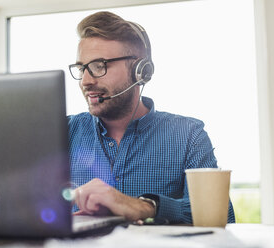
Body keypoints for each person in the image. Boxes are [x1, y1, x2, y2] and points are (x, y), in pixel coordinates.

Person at [67, 11, 235, 224]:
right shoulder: (61, 132)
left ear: (141, 71)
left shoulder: (188, 135)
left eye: (100, 66)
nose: (85, 81)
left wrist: (145, 207)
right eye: (82, 68)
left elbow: (220, 217)